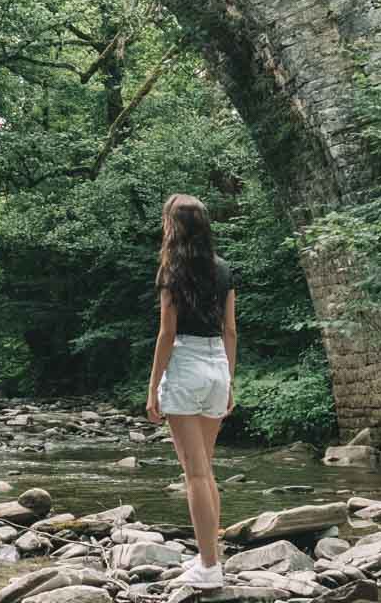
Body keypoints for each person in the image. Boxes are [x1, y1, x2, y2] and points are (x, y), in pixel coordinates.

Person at [145, 192, 237, 590]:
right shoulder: (223, 269)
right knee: (206, 471)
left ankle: (210, 567)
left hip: (185, 366)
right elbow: (230, 330)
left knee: (194, 474)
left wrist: (152, 390)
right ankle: (209, 558)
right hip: (217, 366)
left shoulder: (171, 271)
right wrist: (229, 381)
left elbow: (167, 334)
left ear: (173, 227)